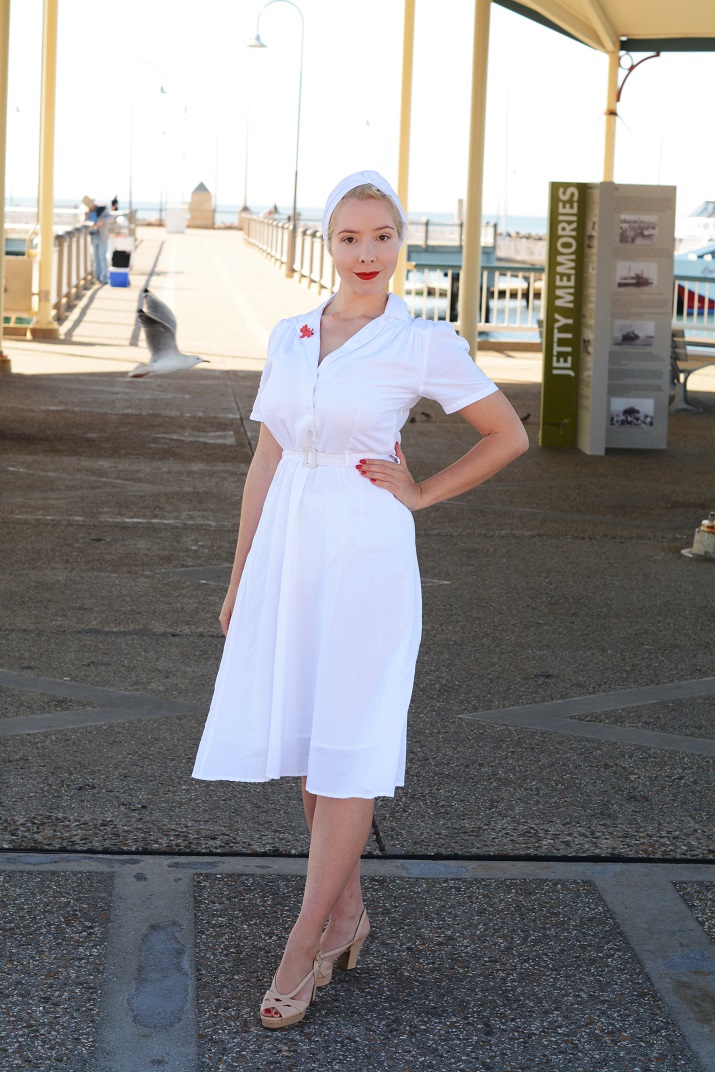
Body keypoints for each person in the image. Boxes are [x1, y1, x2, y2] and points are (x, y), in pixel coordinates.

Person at [192, 170, 529, 1029]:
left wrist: (422, 492)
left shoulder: (420, 342)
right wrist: (239, 576)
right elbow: (266, 461)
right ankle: (348, 915)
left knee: (347, 749)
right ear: (328, 243)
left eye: (382, 236)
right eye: (350, 237)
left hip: (365, 555)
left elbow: (506, 434)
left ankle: (302, 945)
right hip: (288, 554)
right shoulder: (293, 332)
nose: (367, 253)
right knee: (311, 750)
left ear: (400, 243)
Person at [82, 195, 111, 284]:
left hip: (101, 236)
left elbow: (109, 218)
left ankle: (104, 277)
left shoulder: (101, 209)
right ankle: (97, 277)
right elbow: (84, 222)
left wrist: (101, 222)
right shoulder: (87, 213)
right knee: (95, 257)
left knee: (102, 256)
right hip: (93, 236)